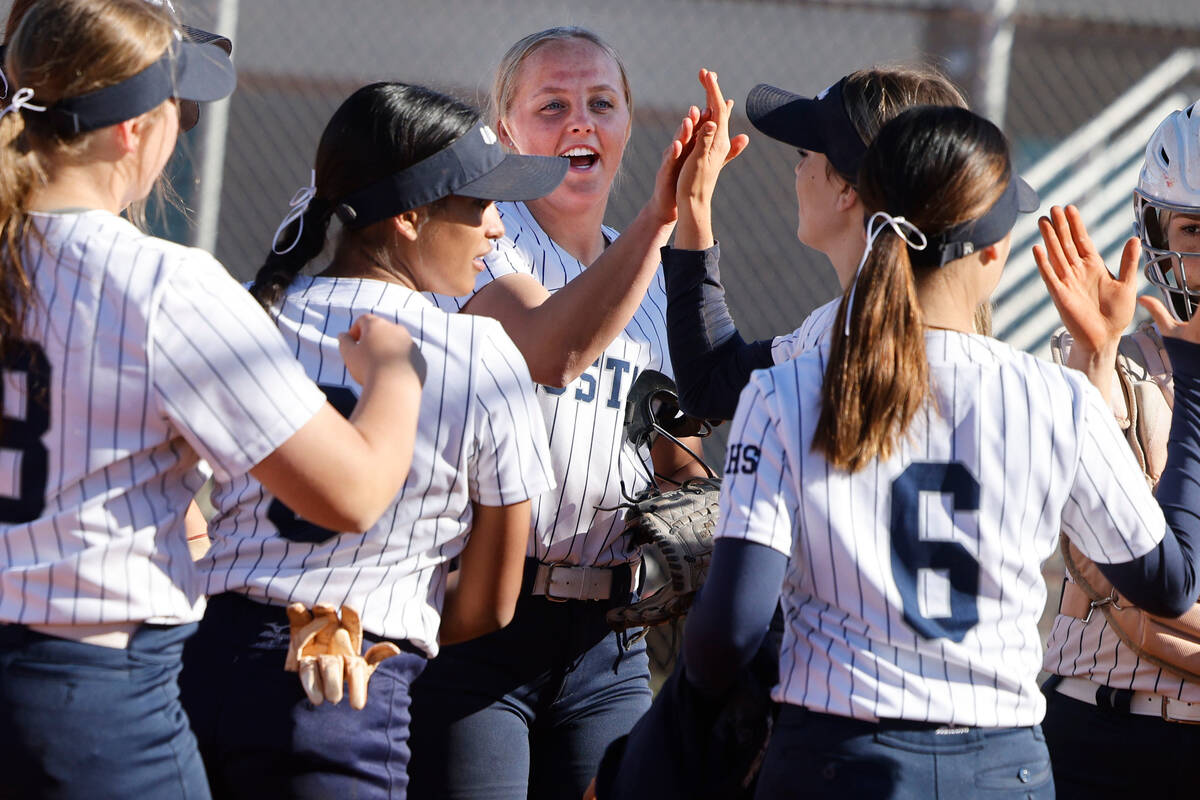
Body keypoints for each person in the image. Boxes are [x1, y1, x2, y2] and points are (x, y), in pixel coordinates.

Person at [601, 103, 1200, 800]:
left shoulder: (789, 386)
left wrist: (676, 740)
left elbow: (727, 634)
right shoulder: (1053, 397)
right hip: (1002, 763)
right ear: (993, 252)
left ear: (869, 219)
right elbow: (1167, 583)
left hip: (839, 750)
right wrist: (1190, 376)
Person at [0, 2, 424, 797]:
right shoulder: (161, 282)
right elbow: (354, 494)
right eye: (176, 106)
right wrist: (395, 374)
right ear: (134, 129)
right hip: (92, 699)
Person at [179, 81, 564, 800]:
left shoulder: (246, 311)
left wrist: (232, 594)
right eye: (479, 203)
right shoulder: (478, 351)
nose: (499, 230)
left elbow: (166, 493)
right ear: (411, 217)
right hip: (349, 683)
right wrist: (375, 620)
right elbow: (491, 604)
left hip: (203, 671)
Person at [407, 27, 732, 800]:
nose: (580, 122)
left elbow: (670, 444)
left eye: (601, 104)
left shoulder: (654, 272)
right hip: (481, 620)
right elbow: (552, 349)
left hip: (609, 643)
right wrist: (665, 219)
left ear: (626, 125)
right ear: (505, 130)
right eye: (552, 106)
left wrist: (708, 506)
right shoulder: (483, 239)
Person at [1035, 100, 1200, 799]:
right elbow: (1128, 574)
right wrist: (1095, 357)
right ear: (1158, 233)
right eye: (1194, 231)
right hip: (1098, 728)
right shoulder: (1109, 362)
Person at [664, 65, 967, 421]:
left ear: (846, 189)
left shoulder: (845, 340)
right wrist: (694, 203)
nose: (797, 170)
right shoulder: (846, 325)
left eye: (804, 154)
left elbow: (709, 387)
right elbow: (712, 383)